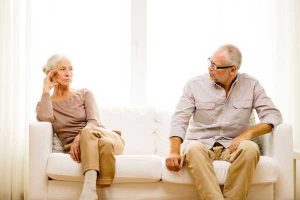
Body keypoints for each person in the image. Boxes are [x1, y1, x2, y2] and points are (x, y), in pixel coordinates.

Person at [165, 44, 282, 200]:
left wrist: (247, 134)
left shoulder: (251, 85)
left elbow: (273, 116)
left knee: (251, 148)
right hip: (201, 144)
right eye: (210, 62)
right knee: (192, 149)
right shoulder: (194, 85)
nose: (209, 68)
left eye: (215, 66)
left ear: (232, 70)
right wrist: (174, 151)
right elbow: (180, 118)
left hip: (233, 145)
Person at [36, 54, 125, 200]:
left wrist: (80, 137)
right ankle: (104, 195)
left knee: (99, 138)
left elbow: (94, 122)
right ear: (51, 73)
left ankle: (89, 191)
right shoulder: (46, 104)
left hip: (105, 135)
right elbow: (44, 118)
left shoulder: (84, 93)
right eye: (62, 69)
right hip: (93, 147)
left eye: (71, 69)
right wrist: (46, 88)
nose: (68, 73)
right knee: (105, 146)